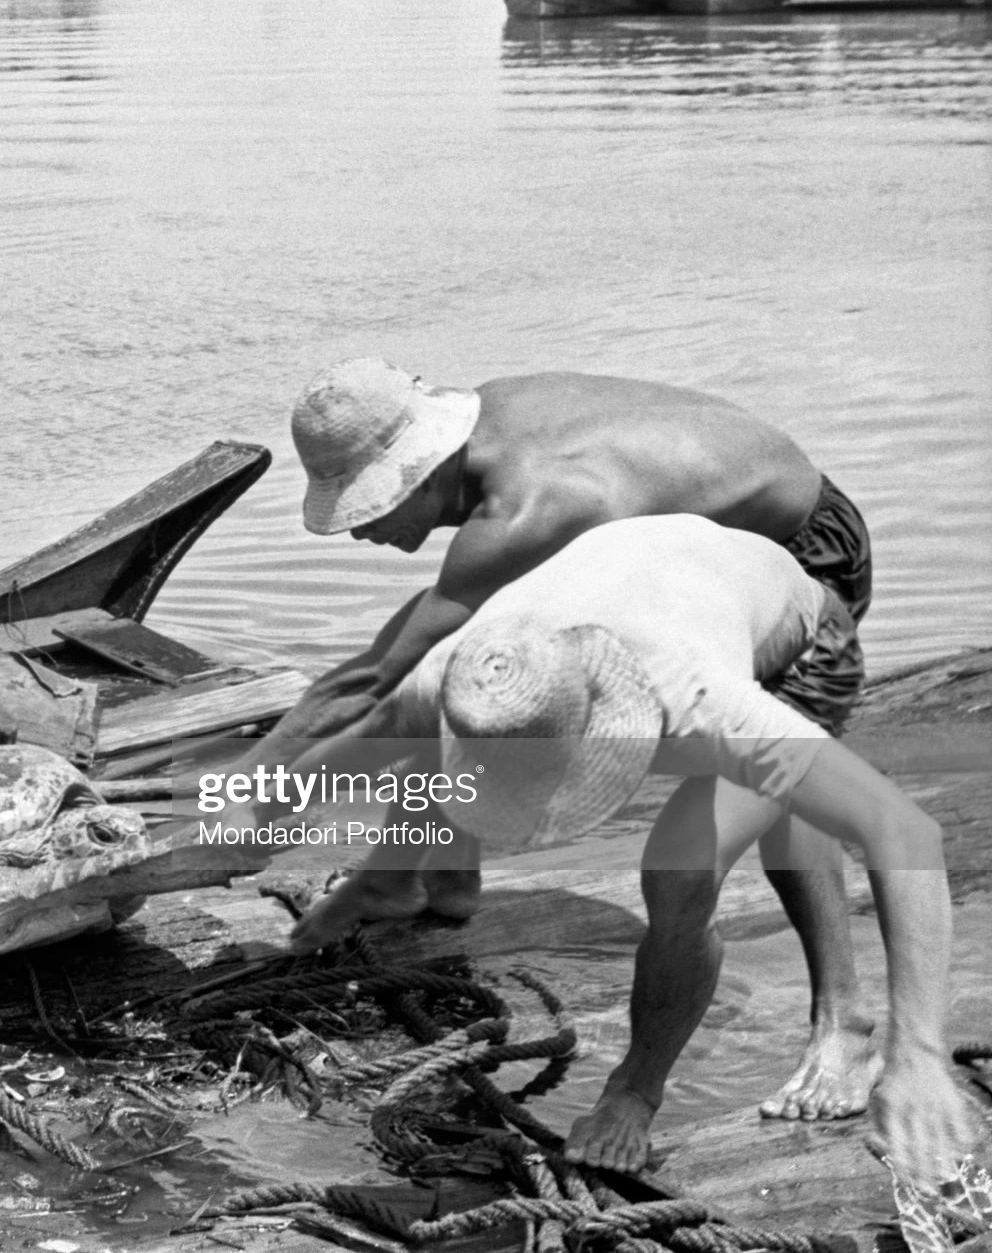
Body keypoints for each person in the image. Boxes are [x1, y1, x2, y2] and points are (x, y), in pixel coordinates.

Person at [218, 515, 978, 1193]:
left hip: (802, 640)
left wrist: (921, 1058)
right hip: (669, 585)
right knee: (770, 795)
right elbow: (333, 765)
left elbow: (905, 833)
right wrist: (249, 840)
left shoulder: (703, 699)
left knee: (683, 869)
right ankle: (445, 885)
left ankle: (651, 1085)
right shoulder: (457, 677)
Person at [239, 356, 873, 1121]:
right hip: (686, 543)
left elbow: (368, 682)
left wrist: (239, 810)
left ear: (420, 473)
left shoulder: (526, 511)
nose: (362, 531)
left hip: (797, 559)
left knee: (769, 777)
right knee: (489, 667)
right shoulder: (487, 431)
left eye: (367, 508)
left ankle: (844, 1017)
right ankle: (415, 876)